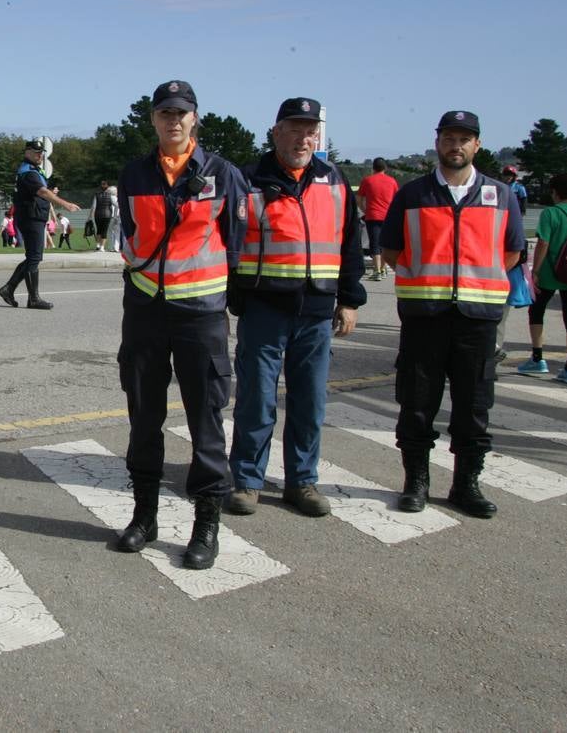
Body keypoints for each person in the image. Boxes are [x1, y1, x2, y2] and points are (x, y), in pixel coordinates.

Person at [114, 80, 247, 569]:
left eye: (181, 113)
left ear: (195, 118)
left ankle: (205, 524)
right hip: (146, 309)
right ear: (152, 119)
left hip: (202, 316)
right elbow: (130, 236)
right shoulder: (134, 174)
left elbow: (237, 239)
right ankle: (144, 516)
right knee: (144, 415)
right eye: (165, 112)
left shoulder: (223, 174)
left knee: (205, 420)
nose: (173, 120)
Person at [226, 98, 367, 518]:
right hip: (265, 306)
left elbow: (349, 243)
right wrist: (238, 297)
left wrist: (350, 299)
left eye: (310, 131)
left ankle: (301, 482)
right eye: (294, 129)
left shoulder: (334, 180)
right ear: (276, 132)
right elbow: (229, 242)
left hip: (317, 309)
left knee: (309, 401)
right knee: (256, 398)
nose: (303, 138)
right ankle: (248, 481)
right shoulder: (248, 179)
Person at [381, 110, 524, 519]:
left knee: (474, 405)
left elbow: (512, 253)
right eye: (448, 137)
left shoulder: (501, 195)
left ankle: (466, 484)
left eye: (464, 138)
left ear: (477, 145)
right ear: (437, 141)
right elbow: (391, 249)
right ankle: (417, 482)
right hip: (425, 315)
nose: (455, 145)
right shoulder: (413, 194)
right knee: (417, 402)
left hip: (477, 318)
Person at [0, 140, 79, 309]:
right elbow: (42, 192)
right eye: (35, 152)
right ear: (27, 152)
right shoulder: (28, 172)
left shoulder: (33, 170)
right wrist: (65, 204)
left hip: (33, 216)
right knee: (34, 257)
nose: (39, 155)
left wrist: (51, 194)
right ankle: (32, 298)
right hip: (31, 217)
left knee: (33, 257)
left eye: (41, 152)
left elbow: (41, 191)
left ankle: (9, 289)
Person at [517, 172, 567, 381]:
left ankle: (537, 357)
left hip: (549, 272)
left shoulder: (551, 214)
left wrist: (535, 271)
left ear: (555, 193)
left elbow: (543, 243)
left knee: (537, 310)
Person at [357, 157, 399, 280]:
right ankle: (383, 268)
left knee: (374, 244)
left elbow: (359, 199)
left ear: (373, 168)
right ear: (385, 168)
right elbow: (397, 200)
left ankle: (377, 271)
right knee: (384, 244)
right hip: (388, 217)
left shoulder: (367, 180)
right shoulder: (392, 181)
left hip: (372, 216)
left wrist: (365, 211)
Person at [89, 180, 116, 251]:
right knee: (105, 230)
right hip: (107, 215)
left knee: (99, 230)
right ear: (108, 187)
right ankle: (102, 247)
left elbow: (93, 206)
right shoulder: (111, 196)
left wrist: (90, 216)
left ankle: (98, 245)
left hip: (97, 215)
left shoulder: (97, 195)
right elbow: (116, 204)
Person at [105, 184, 122, 252]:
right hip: (117, 216)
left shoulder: (111, 197)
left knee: (110, 232)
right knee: (117, 232)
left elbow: (117, 206)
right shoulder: (115, 198)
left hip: (113, 217)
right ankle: (116, 247)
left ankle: (112, 247)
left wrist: (115, 215)